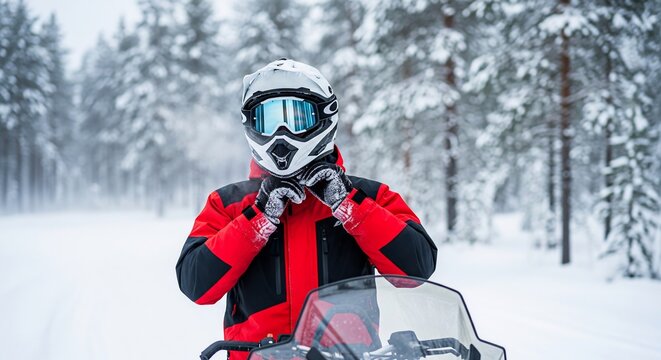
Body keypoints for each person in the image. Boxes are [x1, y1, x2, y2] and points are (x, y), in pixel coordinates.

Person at [175, 59, 437, 359]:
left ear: (323, 118)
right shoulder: (230, 204)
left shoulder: (369, 196)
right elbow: (195, 284)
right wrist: (258, 218)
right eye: (269, 120)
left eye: (297, 118)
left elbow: (417, 268)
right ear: (252, 125)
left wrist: (348, 204)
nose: (282, 133)